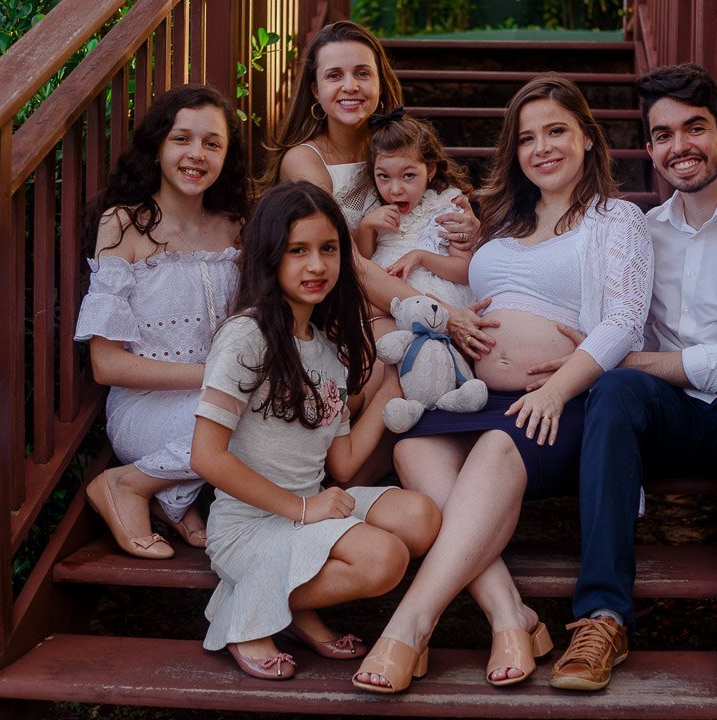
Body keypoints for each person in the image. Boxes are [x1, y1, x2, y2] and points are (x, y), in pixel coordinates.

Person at [351, 76, 653, 694]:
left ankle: (410, 624)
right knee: (412, 448)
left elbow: (624, 319)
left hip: (562, 401)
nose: (541, 148)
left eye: (556, 132)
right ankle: (509, 613)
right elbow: (454, 273)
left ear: (589, 140)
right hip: (474, 394)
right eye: (526, 138)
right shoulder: (497, 214)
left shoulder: (616, 219)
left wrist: (555, 388)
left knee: (492, 450)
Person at [549, 63, 717, 698]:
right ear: (650, 149)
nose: (680, 147)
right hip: (669, 413)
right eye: (663, 135)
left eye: (695, 129)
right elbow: (579, 288)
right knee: (611, 393)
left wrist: (620, 359)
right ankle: (601, 617)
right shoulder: (644, 230)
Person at [189, 181, 441, 680]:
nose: (317, 266)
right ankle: (246, 611)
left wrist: (392, 381)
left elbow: (343, 463)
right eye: (297, 251)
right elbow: (206, 458)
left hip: (308, 506)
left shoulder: (326, 349)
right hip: (253, 524)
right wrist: (305, 509)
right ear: (269, 256)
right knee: (382, 560)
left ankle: (290, 607)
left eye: (328, 249)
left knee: (421, 517)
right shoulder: (248, 335)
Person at [74, 84, 250, 559]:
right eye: (181, 139)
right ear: (156, 147)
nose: (197, 154)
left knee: (274, 401)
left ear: (226, 155)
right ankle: (127, 485)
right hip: (147, 410)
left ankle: (172, 500)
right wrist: (215, 378)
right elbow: (107, 366)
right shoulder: (124, 224)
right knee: (249, 409)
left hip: (220, 398)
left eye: (212, 143)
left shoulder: (237, 227)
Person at [258, 20, 483, 335]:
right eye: (334, 75)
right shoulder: (304, 160)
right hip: (343, 304)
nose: (350, 86)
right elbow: (351, 264)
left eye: (362, 73)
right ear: (315, 90)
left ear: (380, 82)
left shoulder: (396, 149)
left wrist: (469, 229)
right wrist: (445, 315)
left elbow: (438, 204)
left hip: (409, 292)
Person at [357, 110, 475, 308]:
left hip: (436, 297)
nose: (395, 190)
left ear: (430, 169)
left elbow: (464, 272)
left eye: (408, 175)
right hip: (384, 297)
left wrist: (421, 257)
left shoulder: (445, 207)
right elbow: (362, 261)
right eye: (383, 176)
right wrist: (365, 227)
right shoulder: (374, 207)